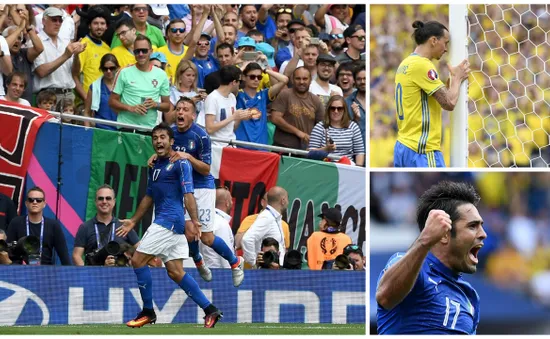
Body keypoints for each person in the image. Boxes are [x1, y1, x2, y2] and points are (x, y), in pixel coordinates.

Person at [116, 123, 223, 328]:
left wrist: (194, 220)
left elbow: (188, 194)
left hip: (169, 222)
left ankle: (148, 312)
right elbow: (149, 196)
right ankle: (211, 310)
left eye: (163, 137)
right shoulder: (155, 165)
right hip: (170, 224)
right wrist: (133, 220)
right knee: (175, 272)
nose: (158, 141)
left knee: (138, 260)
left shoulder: (181, 164)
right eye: (155, 138)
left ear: (172, 141)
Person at [150, 97, 245, 286]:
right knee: (188, 231)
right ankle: (198, 260)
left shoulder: (201, 136)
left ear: (193, 115)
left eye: (185, 109)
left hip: (202, 187)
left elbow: (206, 169)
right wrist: (155, 156)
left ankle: (235, 262)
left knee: (207, 238)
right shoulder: (172, 133)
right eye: (178, 109)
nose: (180, 112)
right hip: (182, 187)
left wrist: (188, 157)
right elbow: (165, 152)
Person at [376, 181, 486, 334]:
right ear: (445, 234)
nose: (483, 234)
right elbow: (385, 297)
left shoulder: (469, 295)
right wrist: (425, 240)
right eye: (473, 226)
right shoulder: (412, 268)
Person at [394, 20, 470, 168]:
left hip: (403, 146)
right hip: (421, 150)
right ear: (434, 40)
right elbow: (449, 103)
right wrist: (457, 77)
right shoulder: (422, 65)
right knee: (438, 190)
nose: (446, 49)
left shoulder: (405, 64)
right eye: (446, 43)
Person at [109, 35, 170, 132]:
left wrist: (155, 104)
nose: (141, 54)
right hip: (126, 127)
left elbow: (167, 106)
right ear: (134, 52)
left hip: (149, 129)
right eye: (137, 51)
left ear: (151, 51)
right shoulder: (124, 72)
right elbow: (112, 101)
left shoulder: (161, 75)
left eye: (144, 50)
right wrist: (130, 108)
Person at [72, 184, 140, 266]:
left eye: (108, 198)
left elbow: (141, 251)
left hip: (119, 276)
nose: (104, 201)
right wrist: (87, 275)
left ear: (114, 202)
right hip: (95, 276)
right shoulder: (85, 227)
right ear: (95, 202)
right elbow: (76, 256)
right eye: (100, 198)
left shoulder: (124, 226)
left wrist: (131, 264)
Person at [6, 187, 71, 265]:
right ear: (26, 203)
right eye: (31, 200)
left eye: (39, 200)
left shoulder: (53, 225)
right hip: (20, 270)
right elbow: (8, 251)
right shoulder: (16, 223)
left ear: (44, 204)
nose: (35, 202)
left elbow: (64, 255)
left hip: (46, 271)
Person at [309, 95, 365, 165]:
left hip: (347, 168)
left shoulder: (353, 126)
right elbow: (309, 153)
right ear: (328, 110)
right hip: (325, 167)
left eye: (340, 108)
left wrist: (358, 170)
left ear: (344, 110)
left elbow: (359, 152)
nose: (336, 111)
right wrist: (326, 149)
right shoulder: (320, 127)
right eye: (332, 108)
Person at [241, 186, 288, 267]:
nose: (288, 202)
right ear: (283, 201)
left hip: (275, 270)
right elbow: (247, 239)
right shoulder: (267, 217)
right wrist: (254, 263)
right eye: (287, 199)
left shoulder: (274, 217)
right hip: (266, 272)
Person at [204, 65, 250, 146]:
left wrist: (239, 118)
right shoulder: (212, 98)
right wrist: (232, 117)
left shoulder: (232, 97)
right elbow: (209, 129)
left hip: (231, 144)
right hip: (217, 146)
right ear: (234, 82)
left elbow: (232, 128)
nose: (240, 84)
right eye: (240, 81)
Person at [199, 186, 235, 269]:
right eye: (231, 200)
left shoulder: (206, 221)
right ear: (227, 203)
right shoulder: (221, 224)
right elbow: (226, 258)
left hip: (206, 272)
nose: (232, 203)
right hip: (220, 274)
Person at [83, 53, 119, 130]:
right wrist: (87, 130)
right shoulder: (94, 86)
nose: (108, 71)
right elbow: (87, 112)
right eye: (105, 69)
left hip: (120, 130)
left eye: (112, 68)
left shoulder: (124, 85)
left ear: (117, 68)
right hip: (100, 130)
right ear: (101, 69)